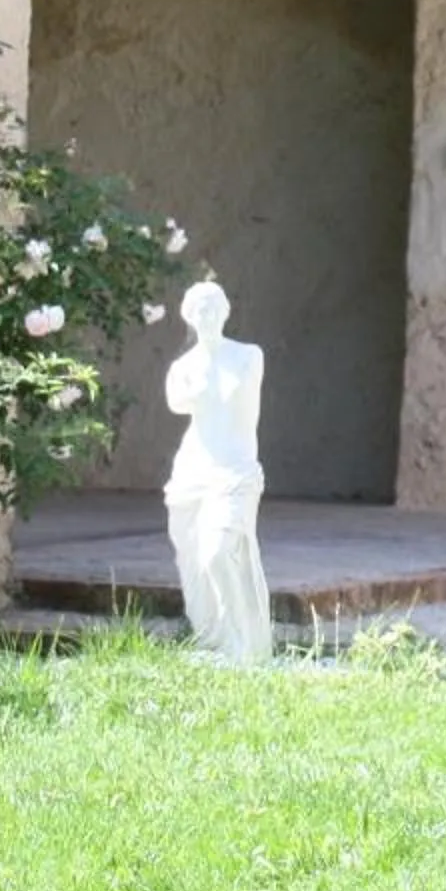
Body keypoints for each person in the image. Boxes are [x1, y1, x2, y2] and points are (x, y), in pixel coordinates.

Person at [164, 279, 271, 663]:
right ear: (189, 316)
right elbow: (178, 400)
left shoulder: (247, 357)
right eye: (199, 308)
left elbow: (231, 395)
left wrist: (204, 386)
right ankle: (214, 639)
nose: (207, 314)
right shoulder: (182, 368)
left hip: (236, 471)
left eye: (213, 306)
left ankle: (243, 642)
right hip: (193, 471)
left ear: (226, 310)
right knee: (194, 563)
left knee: (217, 552)